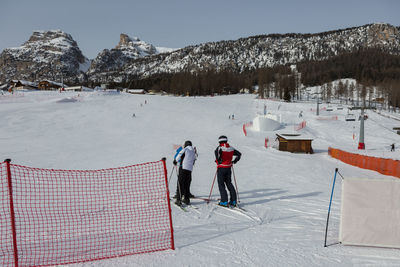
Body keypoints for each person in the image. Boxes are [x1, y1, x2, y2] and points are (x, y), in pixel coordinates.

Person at [214, 135, 241, 207]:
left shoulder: (219, 148)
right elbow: (239, 154)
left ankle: (224, 201)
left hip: (221, 168)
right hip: (228, 168)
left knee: (221, 184)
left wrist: (218, 161)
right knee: (229, 183)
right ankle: (233, 200)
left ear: (219, 141)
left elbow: (217, 156)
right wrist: (234, 161)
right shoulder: (231, 148)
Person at [173, 140, 197, 205]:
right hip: (189, 169)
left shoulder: (185, 149)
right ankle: (186, 199)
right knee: (187, 184)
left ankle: (179, 199)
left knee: (180, 183)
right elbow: (194, 159)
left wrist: (175, 161)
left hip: (183, 168)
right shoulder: (193, 151)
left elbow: (180, 154)